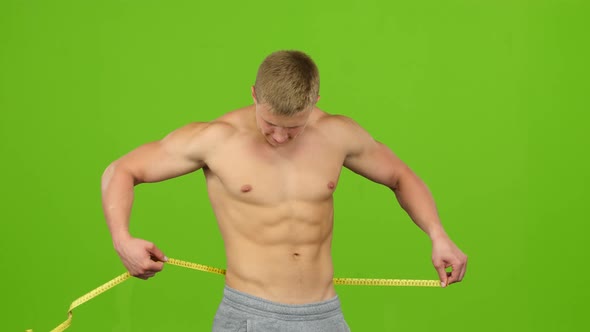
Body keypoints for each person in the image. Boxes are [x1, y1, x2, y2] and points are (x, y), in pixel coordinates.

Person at [101, 50, 467, 331]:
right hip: (250, 315)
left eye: (294, 128)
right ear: (254, 95)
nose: (279, 136)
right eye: (270, 123)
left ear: (314, 102)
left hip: (325, 315)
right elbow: (121, 170)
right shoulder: (216, 140)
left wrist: (438, 235)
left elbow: (401, 176)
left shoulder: (338, 134)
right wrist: (122, 239)